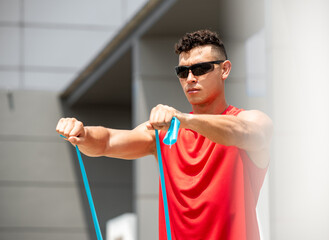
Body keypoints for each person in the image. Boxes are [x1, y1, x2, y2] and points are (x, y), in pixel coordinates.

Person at [56, 29, 273, 240]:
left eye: (201, 69)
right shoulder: (165, 133)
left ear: (224, 70)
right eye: (182, 72)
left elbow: (243, 132)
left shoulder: (252, 120)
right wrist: (82, 133)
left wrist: (185, 120)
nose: (190, 78)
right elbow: (107, 141)